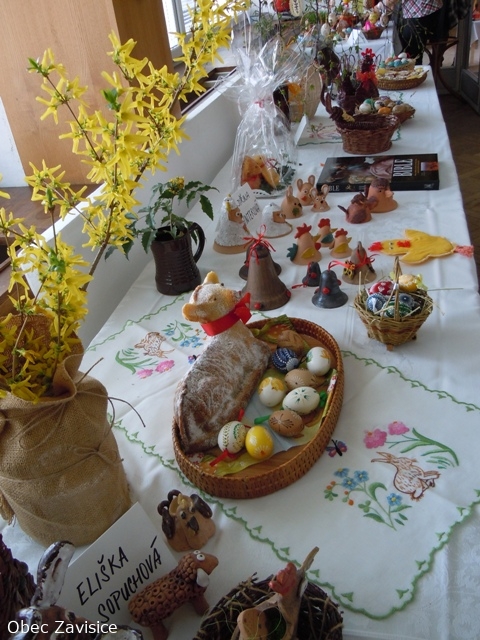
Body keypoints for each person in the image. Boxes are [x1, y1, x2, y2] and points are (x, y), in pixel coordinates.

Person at [373, 0, 444, 63]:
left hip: (422, 11)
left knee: (410, 57)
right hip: (412, 10)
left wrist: (380, 7)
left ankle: (414, 71)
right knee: (404, 53)